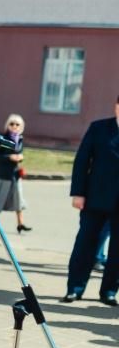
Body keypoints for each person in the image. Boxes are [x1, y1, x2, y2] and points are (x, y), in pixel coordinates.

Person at [62, 95, 119, 306]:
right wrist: (78, 193)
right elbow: (82, 161)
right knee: (85, 244)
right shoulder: (99, 128)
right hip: (96, 199)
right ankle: (74, 289)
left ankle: (109, 292)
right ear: (116, 107)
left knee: (117, 252)